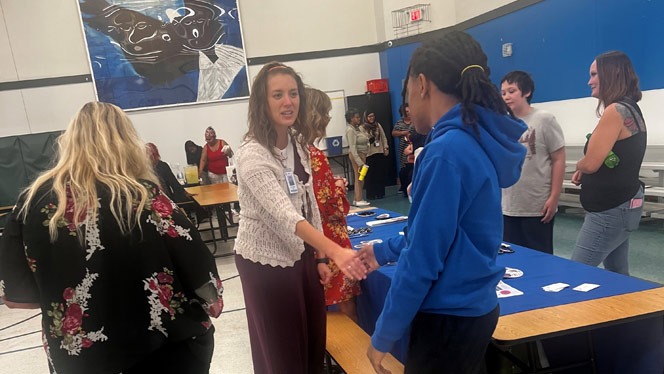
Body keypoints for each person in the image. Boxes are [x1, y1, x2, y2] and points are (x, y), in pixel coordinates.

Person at [0, 102, 224, 374]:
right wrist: (212, 300)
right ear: (127, 142)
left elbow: (15, 297)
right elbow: (199, 268)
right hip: (159, 351)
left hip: (79, 359)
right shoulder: (143, 196)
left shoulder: (31, 202)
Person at [359, 31, 527, 374]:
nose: (406, 104)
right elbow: (440, 234)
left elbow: (422, 259)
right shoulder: (474, 138)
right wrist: (381, 252)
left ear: (422, 84)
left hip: (446, 318)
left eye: (406, 93)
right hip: (475, 309)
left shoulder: (445, 152)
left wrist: (383, 335)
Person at [233, 62, 368, 374]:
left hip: (302, 256)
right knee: (283, 354)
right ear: (262, 103)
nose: (288, 101)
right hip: (264, 263)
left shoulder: (297, 142)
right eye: (277, 95)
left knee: (312, 343)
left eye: (293, 93)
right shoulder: (251, 155)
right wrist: (335, 251)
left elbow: (308, 204)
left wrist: (321, 257)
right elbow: (285, 214)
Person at [571, 51, 646, 276]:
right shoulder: (630, 108)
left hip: (611, 209)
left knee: (576, 272)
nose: (589, 81)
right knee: (616, 272)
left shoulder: (615, 111)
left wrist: (579, 166)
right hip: (622, 203)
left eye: (594, 74)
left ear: (610, 74)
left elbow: (592, 163)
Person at [305, 87, 361, 323]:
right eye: (325, 112)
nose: (328, 118)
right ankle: (355, 354)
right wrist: (338, 188)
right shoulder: (315, 154)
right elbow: (329, 207)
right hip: (328, 239)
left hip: (310, 239)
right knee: (344, 297)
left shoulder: (295, 152)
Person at [500, 71, 566, 254]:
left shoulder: (544, 119)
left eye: (511, 91)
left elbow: (559, 158)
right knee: (512, 260)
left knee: (540, 259)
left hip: (537, 207)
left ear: (526, 92)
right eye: (503, 92)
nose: (506, 96)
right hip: (509, 206)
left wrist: (554, 197)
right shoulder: (503, 122)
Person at [345, 107, 371, 207]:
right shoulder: (350, 130)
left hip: (362, 154)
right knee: (358, 177)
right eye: (356, 117)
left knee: (361, 177)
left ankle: (359, 198)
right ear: (351, 118)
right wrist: (359, 162)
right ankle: (357, 199)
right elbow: (352, 147)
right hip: (357, 156)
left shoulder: (356, 128)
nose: (359, 119)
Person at [363, 110, 390, 200]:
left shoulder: (378, 125)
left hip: (379, 151)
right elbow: (362, 140)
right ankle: (371, 194)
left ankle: (380, 193)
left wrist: (385, 148)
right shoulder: (362, 127)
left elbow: (383, 137)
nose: (371, 118)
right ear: (366, 118)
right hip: (369, 154)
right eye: (369, 116)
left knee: (379, 173)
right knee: (370, 175)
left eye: (373, 116)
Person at [392, 104, 413, 197]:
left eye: (409, 111)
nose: (408, 114)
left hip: (413, 147)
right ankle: (404, 188)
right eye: (406, 112)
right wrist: (403, 133)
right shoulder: (399, 123)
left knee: (412, 168)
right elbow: (394, 133)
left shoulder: (415, 122)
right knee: (403, 169)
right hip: (402, 148)